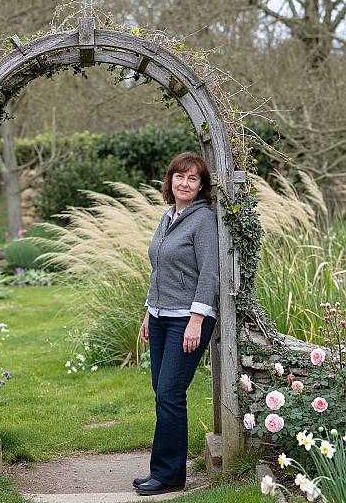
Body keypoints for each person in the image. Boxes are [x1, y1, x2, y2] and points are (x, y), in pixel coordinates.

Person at [134, 151, 219, 496]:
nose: (184, 183)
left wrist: (197, 319)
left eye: (193, 178)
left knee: (170, 393)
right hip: (159, 316)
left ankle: (169, 475)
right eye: (179, 176)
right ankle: (164, 471)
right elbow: (159, 269)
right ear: (170, 181)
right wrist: (147, 311)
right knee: (163, 394)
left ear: (201, 186)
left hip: (188, 319)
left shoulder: (203, 221)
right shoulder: (168, 216)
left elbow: (209, 273)